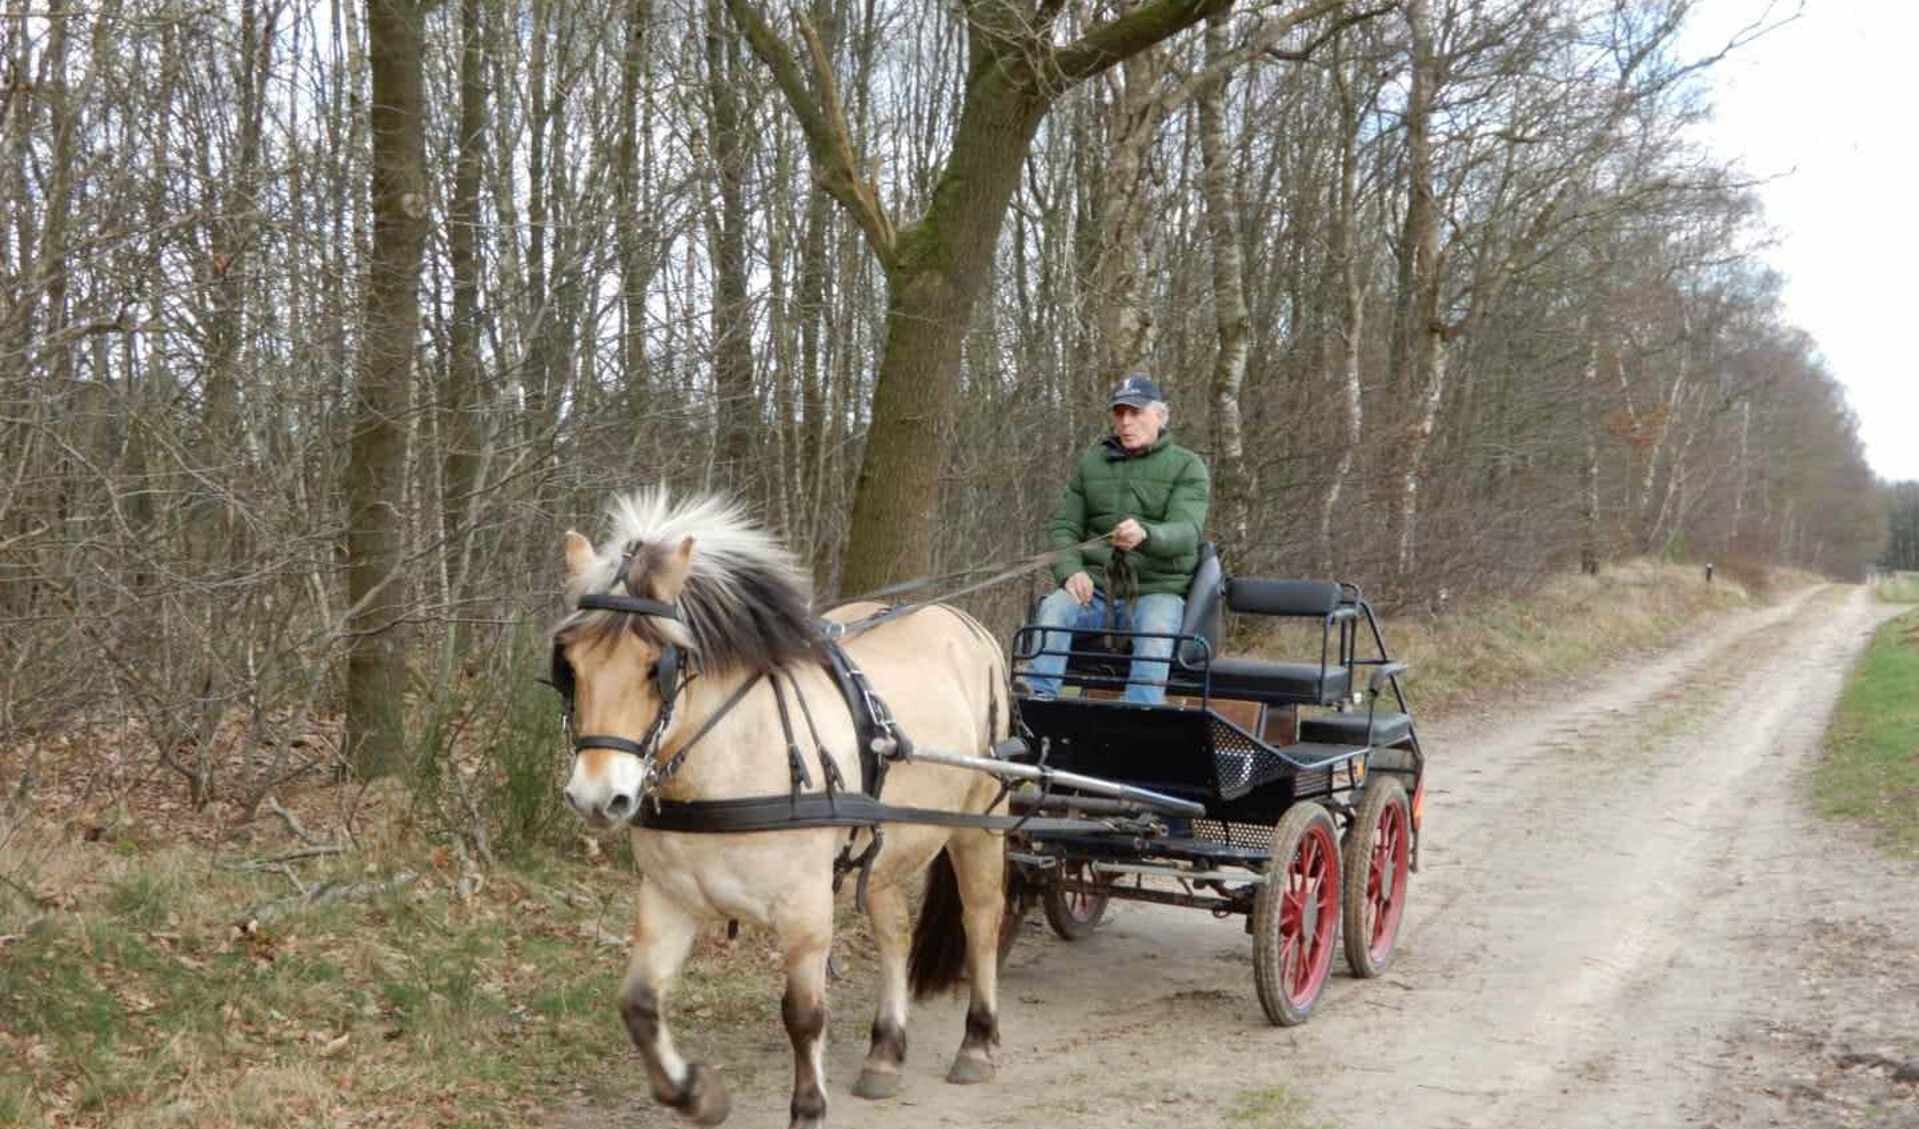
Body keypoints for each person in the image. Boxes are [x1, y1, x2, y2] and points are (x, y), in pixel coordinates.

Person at [1024, 374, 1211, 705]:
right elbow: (1064, 526)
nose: (1125, 422)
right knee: (1053, 609)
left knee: (1154, 635)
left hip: (1157, 590)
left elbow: (1186, 532)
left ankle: (1139, 717)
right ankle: (1035, 707)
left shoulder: (1188, 466)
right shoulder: (1091, 462)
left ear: (1160, 416)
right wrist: (1071, 571)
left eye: (1135, 413)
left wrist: (1147, 535)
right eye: (1119, 413)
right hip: (1096, 589)